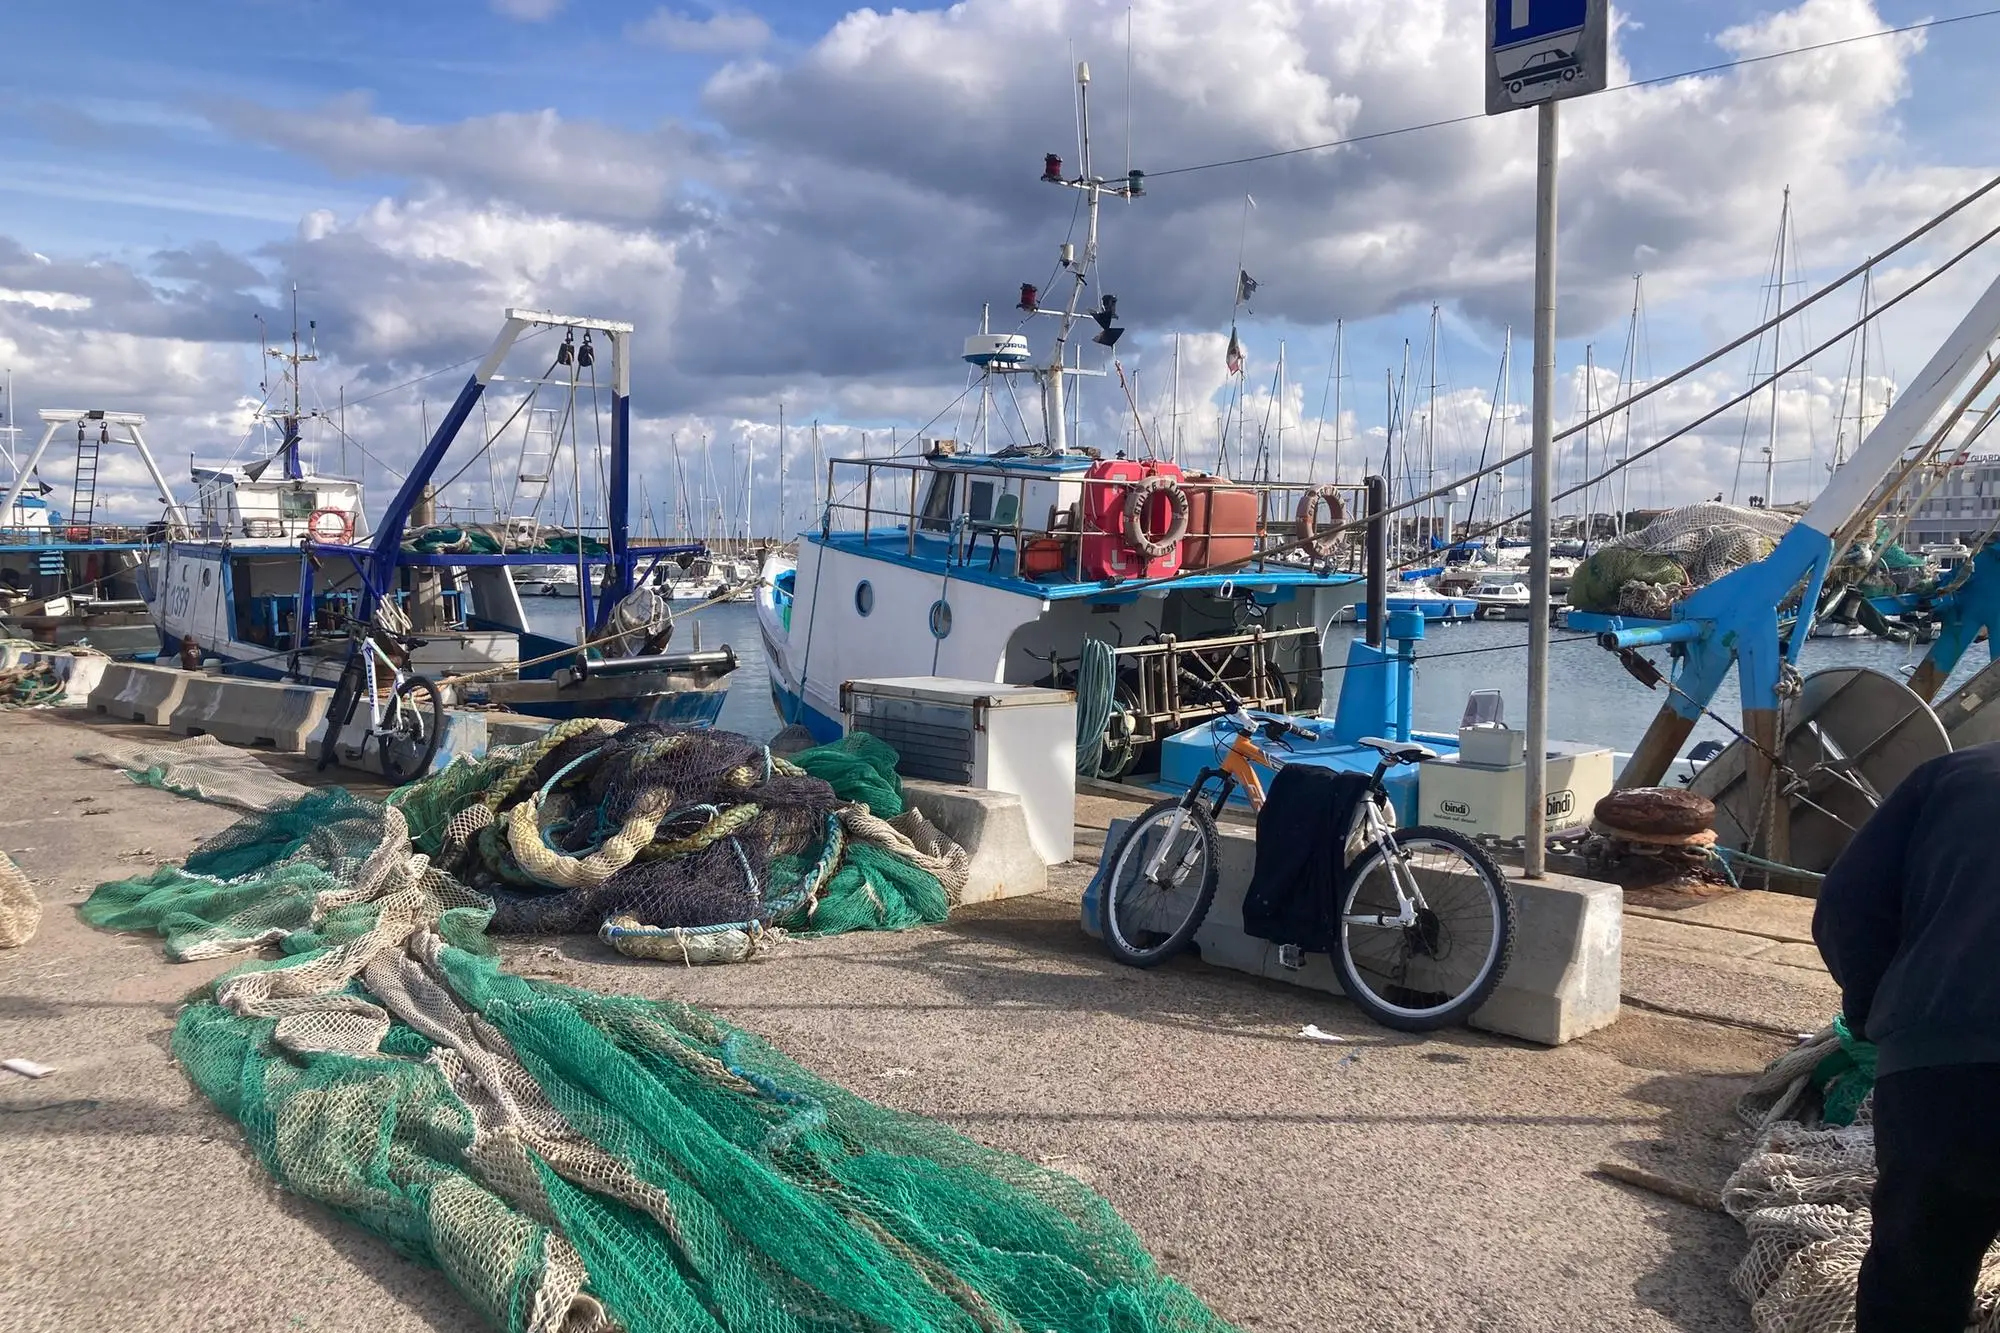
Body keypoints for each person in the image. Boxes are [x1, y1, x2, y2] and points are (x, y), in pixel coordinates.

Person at [1813, 744, 2000, 1331]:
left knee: (1916, 1275)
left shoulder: (1953, 775)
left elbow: (1847, 907)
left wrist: (1873, 1017)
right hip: (1944, 1047)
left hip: (1941, 1066)